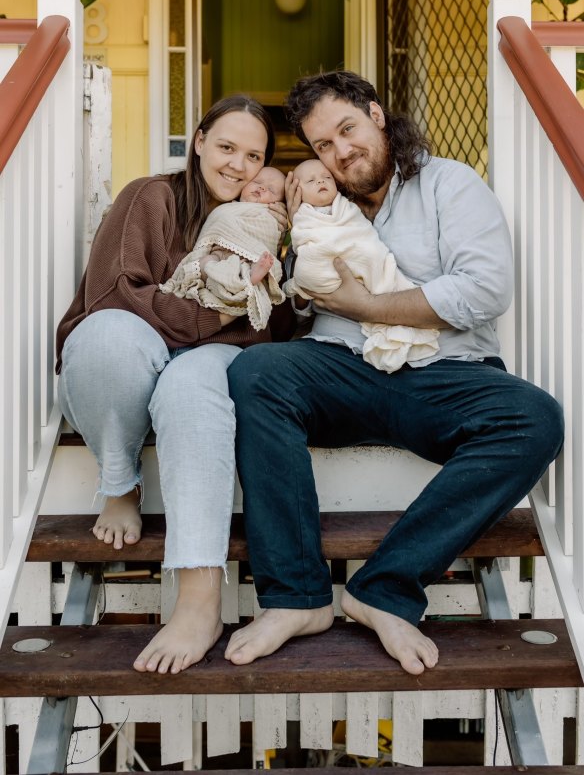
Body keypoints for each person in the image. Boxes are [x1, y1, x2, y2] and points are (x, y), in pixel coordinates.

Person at [224, 70, 564, 676]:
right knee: (257, 371)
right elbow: (305, 300)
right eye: (322, 145)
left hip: (441, 374)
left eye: (347, 130)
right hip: (343, 369)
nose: (340, 151)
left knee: (535, 417)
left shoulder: (449, 185)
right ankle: (297, 597)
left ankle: (383, 590)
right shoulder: (321, 201)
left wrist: (370, 307)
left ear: (377, 115)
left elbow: (484, 289)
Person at [55, 95, 294, 675]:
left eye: (252, 155)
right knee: (109, 333)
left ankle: (198, 604)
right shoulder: (150, 197)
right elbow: (116, 296)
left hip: (206, 366)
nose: (238, 165)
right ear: (198, 142)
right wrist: (218, 315)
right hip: (123, 364)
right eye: (226, 147)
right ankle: (120, 481)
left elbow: (275, 325)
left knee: (191, 384)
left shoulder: (265, 224)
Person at [283, 158, 439, 373]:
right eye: (311, 181)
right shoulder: (303, 217)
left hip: (364, 263)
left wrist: (367, 304)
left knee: (371, 256)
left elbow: (360, 236)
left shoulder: (346, 207)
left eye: (326, 178)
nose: (321, 182)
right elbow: (306, 247)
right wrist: (298, 224)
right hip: (327, 340)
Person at [160, 167, 287, 332]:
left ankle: (250, 278)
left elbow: (267, 236)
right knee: (205, 263)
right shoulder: (228, 207)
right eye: (257, 182)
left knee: (245, 266)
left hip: (246, 259)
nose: (262, 188)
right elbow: (217, 224)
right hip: (218, 254)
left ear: (278, 204)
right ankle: (237, 281)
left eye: (271, 190)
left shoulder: (270, 216)